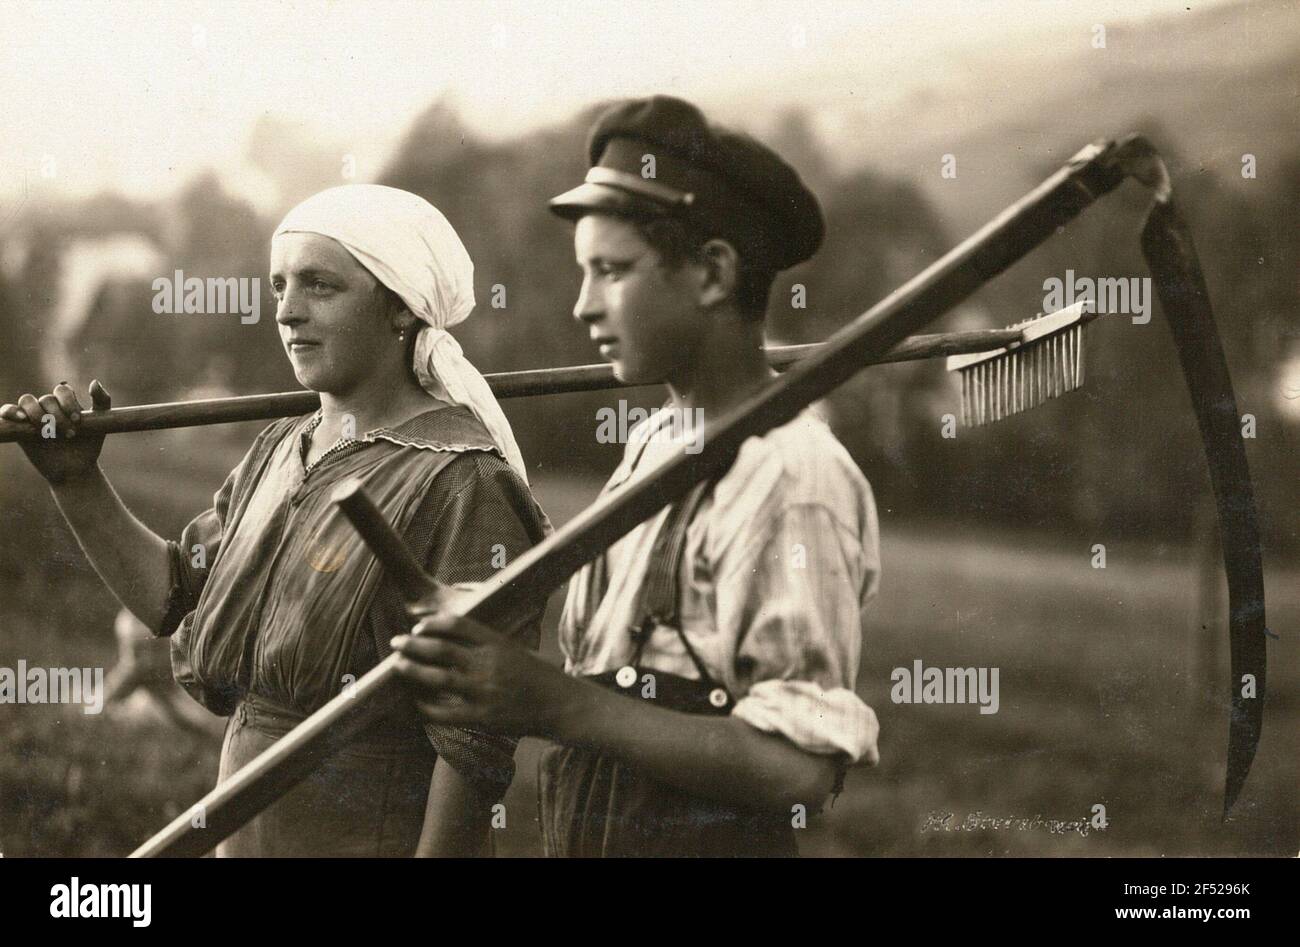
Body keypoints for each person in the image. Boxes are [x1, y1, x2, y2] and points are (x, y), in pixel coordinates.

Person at [392, 96, 881, 856]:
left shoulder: (793, 474)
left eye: (611, 272)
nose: (583, 306)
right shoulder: (656, 441)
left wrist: (552, 704)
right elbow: (630, 657)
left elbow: (801, 768)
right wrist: (478, 616)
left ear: (713, 273)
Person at [0, 184, 550, 857]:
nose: (288, 311)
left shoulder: (464, 480)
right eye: (279, 285)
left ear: (401, 307)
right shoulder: (280, 449)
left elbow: (474, 742)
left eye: (320, 285)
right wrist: (75, 482)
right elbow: (174, 594)